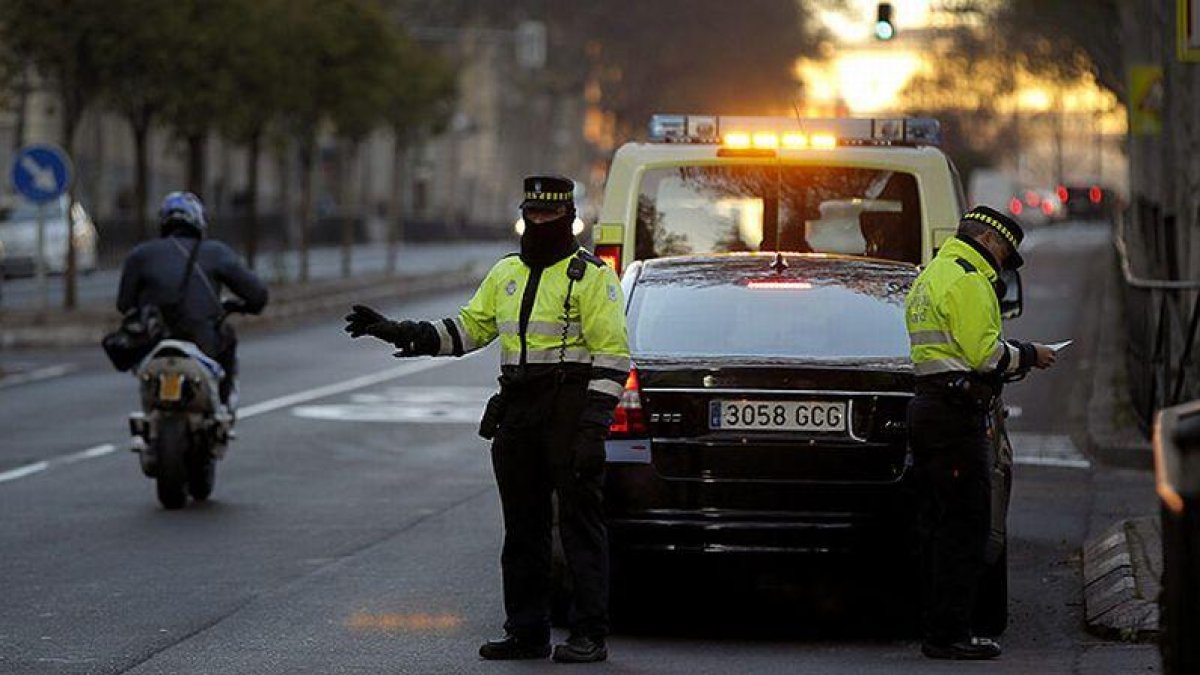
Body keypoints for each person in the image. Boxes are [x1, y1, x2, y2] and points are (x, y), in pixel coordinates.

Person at [344, 176, 629, 664]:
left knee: (579, 527)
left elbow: (613, 355)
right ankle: (527, 632)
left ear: (568, 219)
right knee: (522, 531)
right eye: (532, 214)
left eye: (549, 216)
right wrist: (399, 332)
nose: (539, 223)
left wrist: (592, 428)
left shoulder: (592, 276)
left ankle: (589, 633)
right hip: (518, 413)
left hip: (568, 411)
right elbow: (466, 330)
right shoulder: (504, 274)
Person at [904, 205, 1056, 660]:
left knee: (937, 524)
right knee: (966, 527)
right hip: (955, 415)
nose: (1003, 264)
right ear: (990, 241)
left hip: (928, 406)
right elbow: (984, 354)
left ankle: (937, 625)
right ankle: (949, 634)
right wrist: (1031, 354)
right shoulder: (970, 278)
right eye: (1006, 253)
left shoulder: (933, 273)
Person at [117, 192, 268, 408]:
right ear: (199, 221)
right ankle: (223, 404)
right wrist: (243, 306)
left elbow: (124, 304)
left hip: (152, 343)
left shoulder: (140, 255)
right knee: (227, 335)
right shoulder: (216, 252)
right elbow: (257, 294)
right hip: (202, 342)